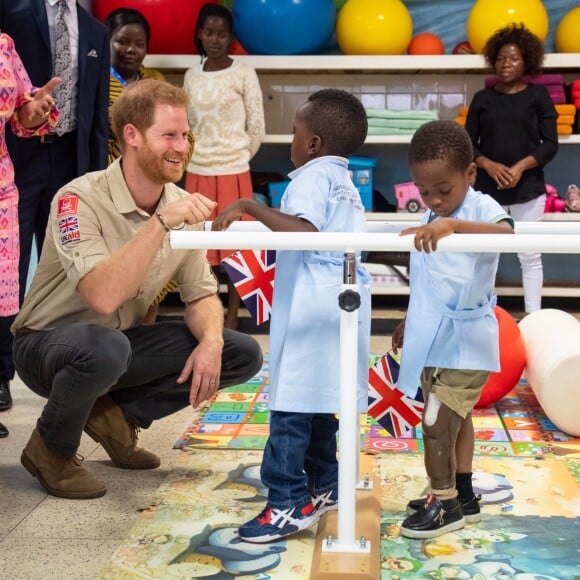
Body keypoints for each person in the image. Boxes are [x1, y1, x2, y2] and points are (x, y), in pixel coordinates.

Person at [11, 79, 263, 499]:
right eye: (169, 135)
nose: (182, 147)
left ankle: (117, 417)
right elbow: (102, 297)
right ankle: (50, 450)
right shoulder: (78, 199)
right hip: (44, 347)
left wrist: (213, 341)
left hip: (115, 344)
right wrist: (162, 222)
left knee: (241, 352)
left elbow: (200, 294)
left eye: (184, 135)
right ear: (131, 136)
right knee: (107, 349)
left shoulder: (180, 201)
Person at [213, 88, 371, 542]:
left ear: (314, 143)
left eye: (296, 134)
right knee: (322, 401)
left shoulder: (309, 177)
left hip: (314, 303)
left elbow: (303, 231)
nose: (292, 144)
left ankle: (284, 502)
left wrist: (249, 206)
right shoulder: (346, 181)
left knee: (289, 406)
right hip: (338, 300)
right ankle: (323, 485)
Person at [392, 120, 514, 539]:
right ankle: (463, 493)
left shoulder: (478, 206)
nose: (435, 200)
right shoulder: (433, 212)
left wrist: (454, 226)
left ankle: (444, 504)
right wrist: (409, 319)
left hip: (469, 338)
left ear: (470, 174)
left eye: (444, 189)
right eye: (425, 192)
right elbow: (431, 276)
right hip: (434, 334)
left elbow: (506, 234)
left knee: (436, 420)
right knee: (456, 420)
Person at [0, 0, 110, 413]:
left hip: (70, 159)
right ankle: (2, 374)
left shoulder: (95, 31)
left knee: (68, 268)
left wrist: (96, 181)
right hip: (18, 160)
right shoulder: (13, 14)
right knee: (10, 274)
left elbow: (98, 116)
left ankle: (64, 368)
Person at [465, 23, 558, 314]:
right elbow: (468, 144)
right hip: (488, 189)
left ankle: (533, 317)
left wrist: (519, 167)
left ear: (526, 61)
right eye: (501, 58)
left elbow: (550, 143)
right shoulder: (483, 99)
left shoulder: (538, 97)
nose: (506, 64)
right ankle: (482, 313)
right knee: (485, 255)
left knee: (529, 255)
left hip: (528, 189)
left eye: (514, 58)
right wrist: (489, 165)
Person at [183, 2, 265, 330]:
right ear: (199, 34)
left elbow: (256, 125)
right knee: (204, 253)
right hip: (198, 172)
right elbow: (187, 127)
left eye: (222, 33)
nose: (215, 39)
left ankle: (233, 315)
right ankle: (210, 314)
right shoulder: (191, 76)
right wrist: (196, 158)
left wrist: (237, 156)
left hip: (234, 172)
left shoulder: (244, 72)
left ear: (230, 37)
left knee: (235, 251)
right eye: (209, 32)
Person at [0, 31, 60, 437]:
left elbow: (23, 114)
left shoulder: (4, 45)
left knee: (3, 301)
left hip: (1, 191)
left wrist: (33, 112)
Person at [104, 7, 165, 164]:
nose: (131, 49)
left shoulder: (157, 82)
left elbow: (180, 132)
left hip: (151, 174)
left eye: (139, 44)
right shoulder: (95, 80)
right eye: (123, 42)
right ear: (106, 41)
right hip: (106, 174)